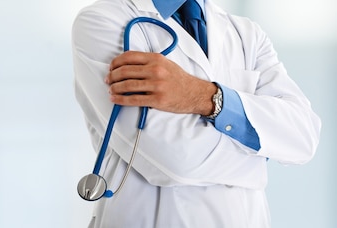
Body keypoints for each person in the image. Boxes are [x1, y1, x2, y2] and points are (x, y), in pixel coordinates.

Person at [71, 0, 321, 227]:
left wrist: (203, 95)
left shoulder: (246, 34)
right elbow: (176, 159)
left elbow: (303, 136)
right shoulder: (102, 22)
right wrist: (262, 148)